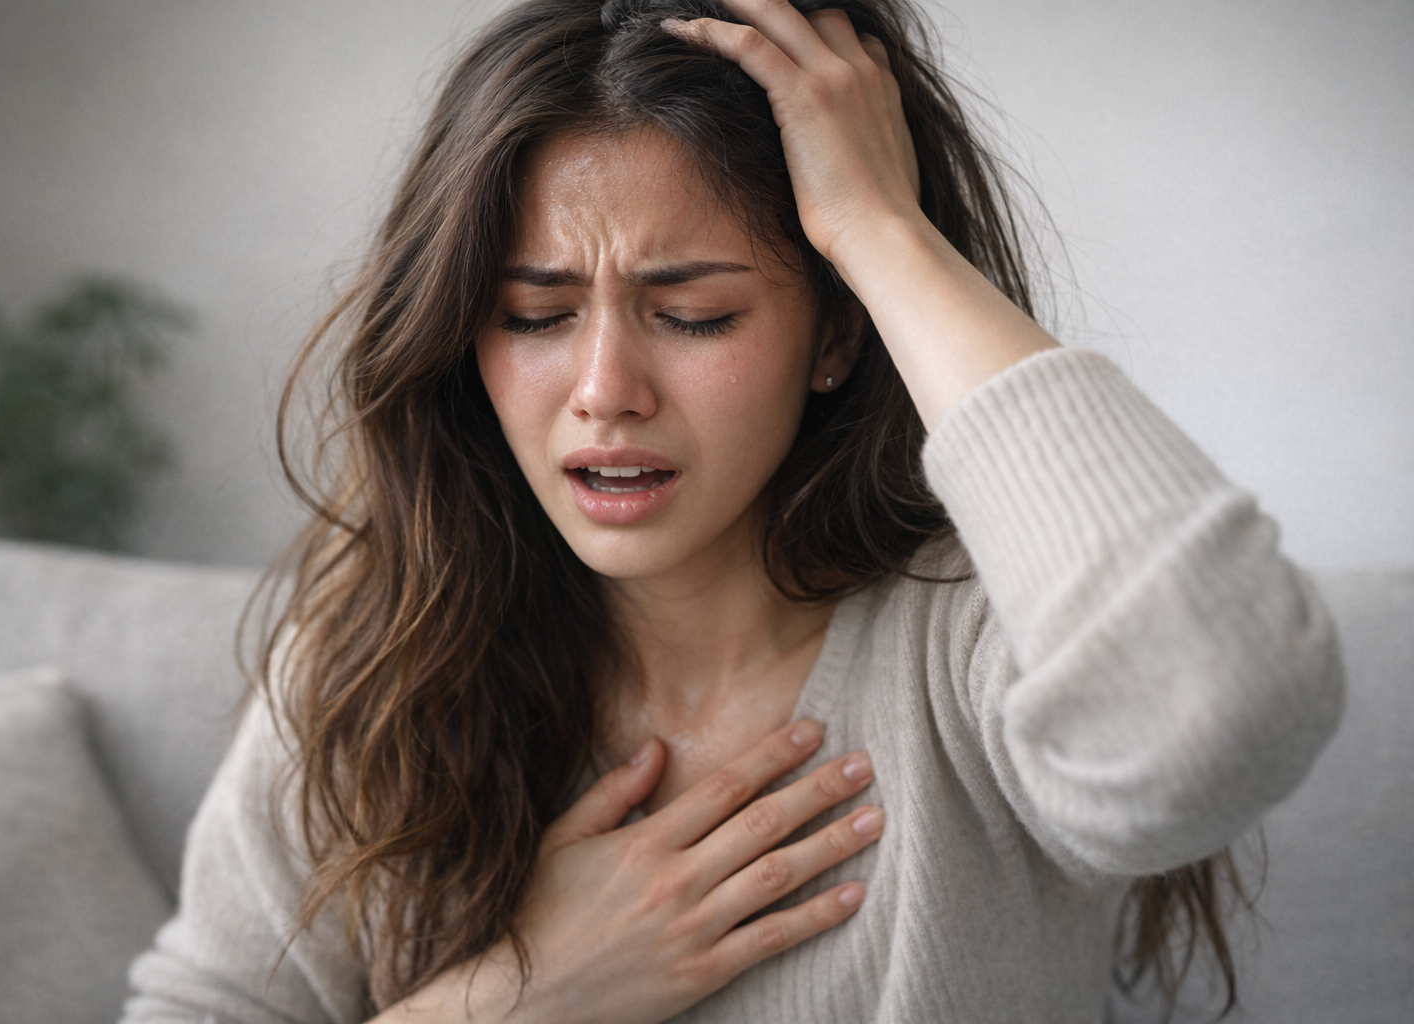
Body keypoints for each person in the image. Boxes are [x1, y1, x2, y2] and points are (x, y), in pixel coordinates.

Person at [122, 1, 1344, 1021]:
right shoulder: (381, 645)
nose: (603, 393)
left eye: (694, 314)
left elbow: (1217, 709)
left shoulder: (973, 646)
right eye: (536, 316)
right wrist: (517, 997)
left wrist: (879, 226)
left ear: (836, 335)